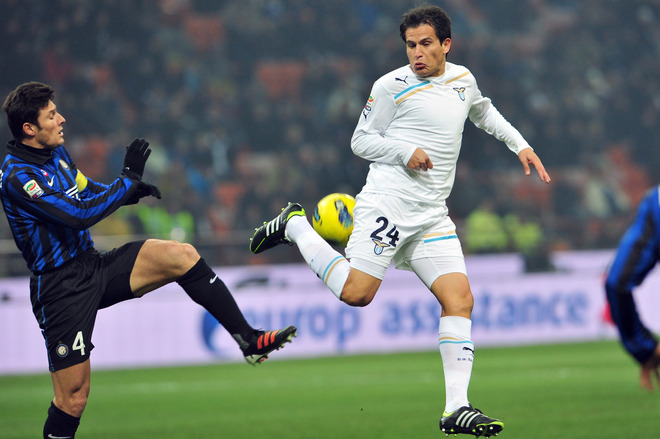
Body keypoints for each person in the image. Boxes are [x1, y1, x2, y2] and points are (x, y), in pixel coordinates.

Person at [249, 5, 551, 438]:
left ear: (446, 44)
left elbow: (483, 111)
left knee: (460, 299)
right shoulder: (390, 86)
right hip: (388, 204)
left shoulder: (463, 81)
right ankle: (295, 225)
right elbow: (360, 140)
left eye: (426, 44)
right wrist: (404, 152)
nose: (417, 54)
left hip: (431, 215)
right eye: (411, 45)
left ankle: (456, 409)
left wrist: (520, 145)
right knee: (357, 294)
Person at [1, 82, 297, 439]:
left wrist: (126, 192)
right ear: (29, 129)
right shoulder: (18, 178)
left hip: (93, 264)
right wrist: (126, 181)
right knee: (73, 398)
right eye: (51, 115)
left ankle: (249, 340)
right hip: (60, 289)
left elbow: (85, 188)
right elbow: (77, 214)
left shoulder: (57, 154)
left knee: (180, 255)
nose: (61, 119)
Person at [605, 184, 660, 391]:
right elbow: (616, 284)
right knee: (616, 283)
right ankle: (646, 350)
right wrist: (645, 348)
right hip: (655, 208)